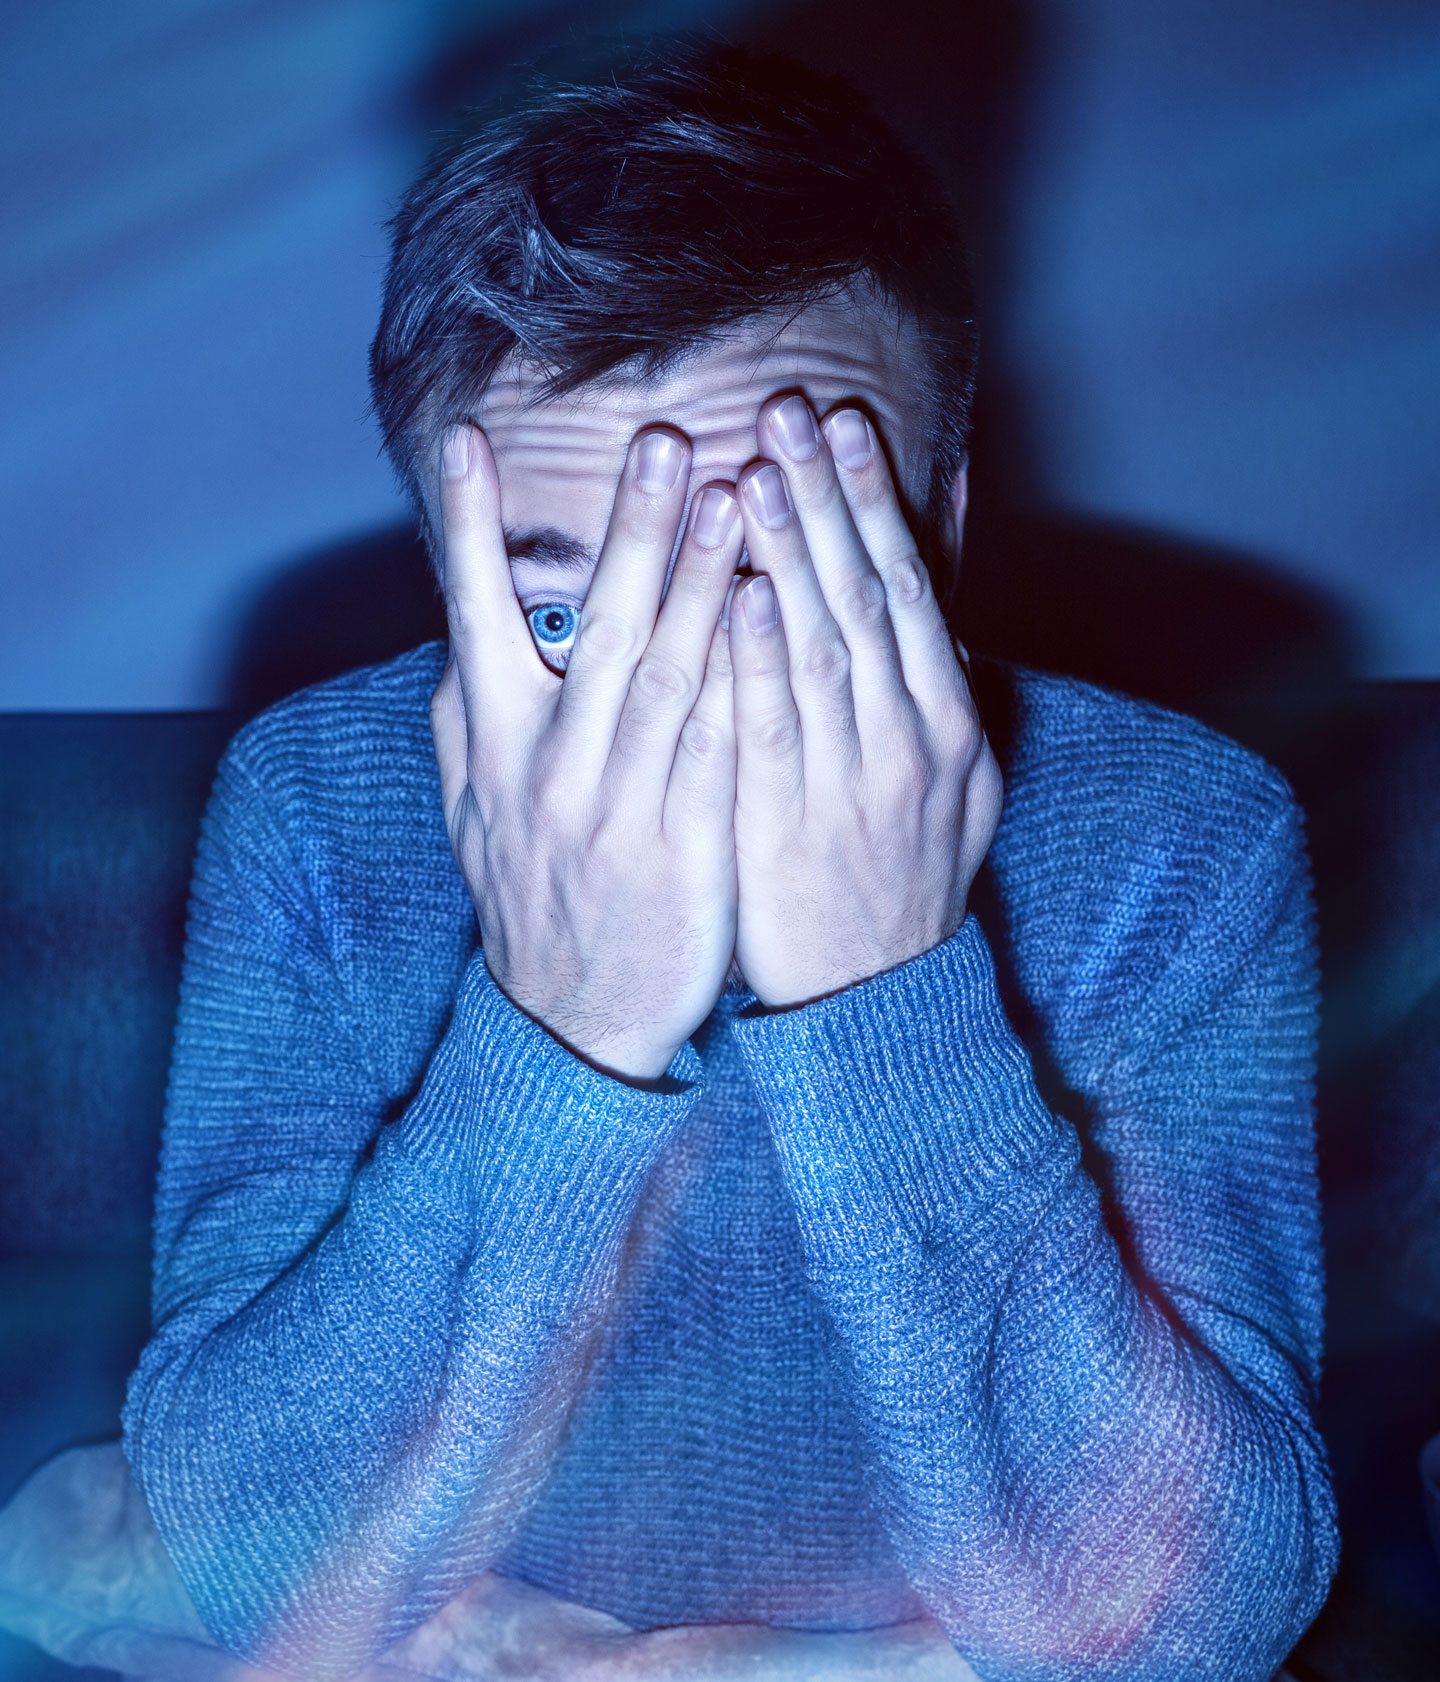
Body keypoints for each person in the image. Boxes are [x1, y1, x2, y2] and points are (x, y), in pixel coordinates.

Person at [120, 39, 1338, 1682]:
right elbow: (256, 1576)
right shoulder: (320, 807)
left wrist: (886, 995)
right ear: (443, 556)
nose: (677, 682)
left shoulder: (1179, 840)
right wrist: (556, 1028)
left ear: (943, 523)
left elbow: (1197, 1632)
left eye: (783, 561)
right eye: (565, 607)